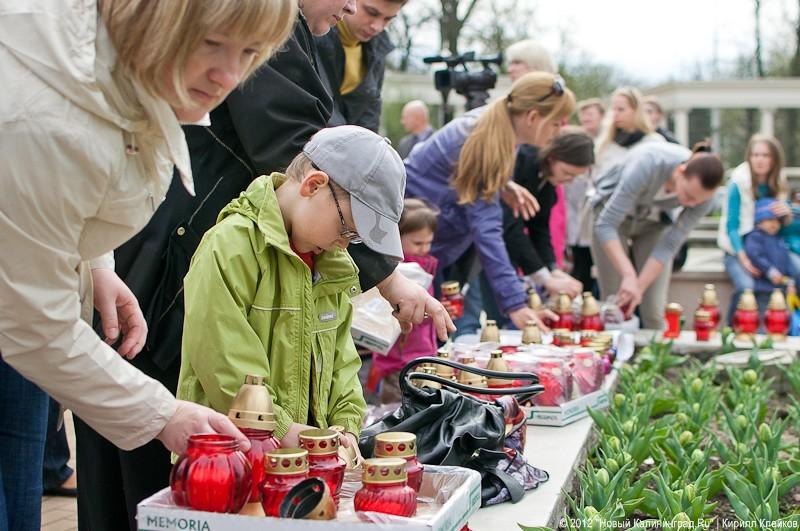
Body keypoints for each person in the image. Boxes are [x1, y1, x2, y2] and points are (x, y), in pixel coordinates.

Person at [73, 1, 453, 528]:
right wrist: (386, 274)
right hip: (163, 272)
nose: (352, 9)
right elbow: (300, 144)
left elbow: (336, 358)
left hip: (157, 256)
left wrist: (333, 425)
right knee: (144, 473)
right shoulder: (238, 242)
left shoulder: (297, 38)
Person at [0, 1, 297, 529]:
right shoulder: (39, 121)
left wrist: (93, 262)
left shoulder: (109, 72)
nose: (229, 75)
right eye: (211, 43)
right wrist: (162, 414)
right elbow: (32, 326)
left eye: (250, 53)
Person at [178, 126, 404, 456]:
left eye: (354, 239)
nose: (344, 243)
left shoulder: (332, 265)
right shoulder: (231, 246)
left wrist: (345, 428)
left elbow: (343, 364)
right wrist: (284, 430)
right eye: (347, 230)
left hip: (306, 462)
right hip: (229, 460)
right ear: (314, 185)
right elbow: (223, 364)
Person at [405, 72, 576, 331]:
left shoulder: (497, 127)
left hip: (428, 240)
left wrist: (503, 185)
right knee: (417, 342)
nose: (558, 131)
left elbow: (462, 175)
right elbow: (487, 230)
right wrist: (515, 304)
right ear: (532, 117)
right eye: (556, 123)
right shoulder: (485, 141)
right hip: (414, 249)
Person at [591, 142, 724, 329]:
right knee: (615, 301)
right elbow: (606, 224)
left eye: (697, 201)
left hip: (653, 224)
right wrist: (629, 276)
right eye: (688, 195)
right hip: (610, 220)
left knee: (654, 309)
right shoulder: (649, 163)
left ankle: (655, 355)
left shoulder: (705, 198)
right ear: (680, 171)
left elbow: (670, 244)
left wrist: (639, 287)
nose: (691, 204)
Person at [501, 128, 595, 302]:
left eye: (576, 177)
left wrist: (552, 268)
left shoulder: (547, 179)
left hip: (507, 248)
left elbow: (539, 227)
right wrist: (544, 277)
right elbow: (511, 225)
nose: (570, 180)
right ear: (552, 158)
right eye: (567, 173)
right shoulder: (524, 163)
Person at [371, 199, 440, 403]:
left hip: (423, 352)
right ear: (396, 237)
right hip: (398, 360)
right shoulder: (396, 271)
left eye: (429, 243)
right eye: (418, 243)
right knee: (397, 409)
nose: (424, 249)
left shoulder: (424, 265)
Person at [717, 135, 789, 323]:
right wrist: (745, 259)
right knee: (746, 286)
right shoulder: (738, 183)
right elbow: (731, 226)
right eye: (755, 154)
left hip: (769, 249)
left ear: (774, 159)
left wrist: (788, 213)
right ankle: (730, 331)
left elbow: (785, 228)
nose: (759, 160)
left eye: (765, 155)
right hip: (738, 250)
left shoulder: (779, 183)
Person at [317, 0, 405, 132]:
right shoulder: (312, 31)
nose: (377, 27)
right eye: (371, 12)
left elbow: (370, 118)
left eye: (388, 19)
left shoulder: (378, 49)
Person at [565, 99, 606, 292]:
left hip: (596, 218)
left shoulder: (607, 144)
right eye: (583, 114)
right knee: (580, 268)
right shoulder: (574, 140)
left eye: (591, 114)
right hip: (575, 217)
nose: (586, 118)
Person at [594, 86, 664, 178]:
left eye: (621, 109)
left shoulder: (654, 142)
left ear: (636, 110)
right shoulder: (605, 143)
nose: (615, 114)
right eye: (613, 109)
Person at [744, 198, 799, 295]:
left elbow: (787, 262)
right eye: (769, 219)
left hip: (781, 288)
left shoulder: (779, 239)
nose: (774, 224)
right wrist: (770, 271)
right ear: (759, 222)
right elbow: (756, 255)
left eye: (777, 221)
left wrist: (791, 282)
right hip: (763, 288)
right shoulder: (755, 236)